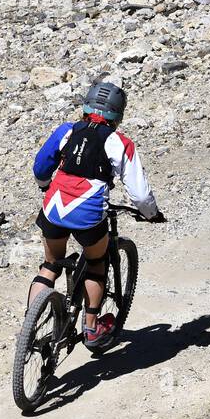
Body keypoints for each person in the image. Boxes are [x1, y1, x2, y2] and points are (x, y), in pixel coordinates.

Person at [29, 80, 164, 349]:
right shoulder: (119, 142)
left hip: (54, 207)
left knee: (50, 264)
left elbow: (41, 166)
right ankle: (91, 329)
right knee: (96, 264)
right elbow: (138, 193)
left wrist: (45, 186)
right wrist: (151, 214)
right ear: (118, 113)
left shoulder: (67, 130)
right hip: (88, 215)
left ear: (86, 105)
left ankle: (29, 326)